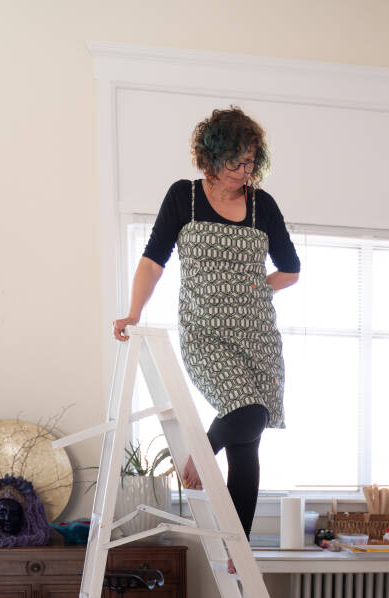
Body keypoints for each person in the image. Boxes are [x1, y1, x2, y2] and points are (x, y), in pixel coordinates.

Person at [113, 106, 300, 545]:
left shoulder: (262, 206)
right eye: (234, 162)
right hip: (205, 333)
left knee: (248, 440)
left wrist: (258, 287)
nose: (242, 171)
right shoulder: (186, 197)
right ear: (210, 158)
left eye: (250, 162)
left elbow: (290, 270)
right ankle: (202, 451)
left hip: (257, 336)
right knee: (246, 412)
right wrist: (134, 312)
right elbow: (153, 261)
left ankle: (238, 547)